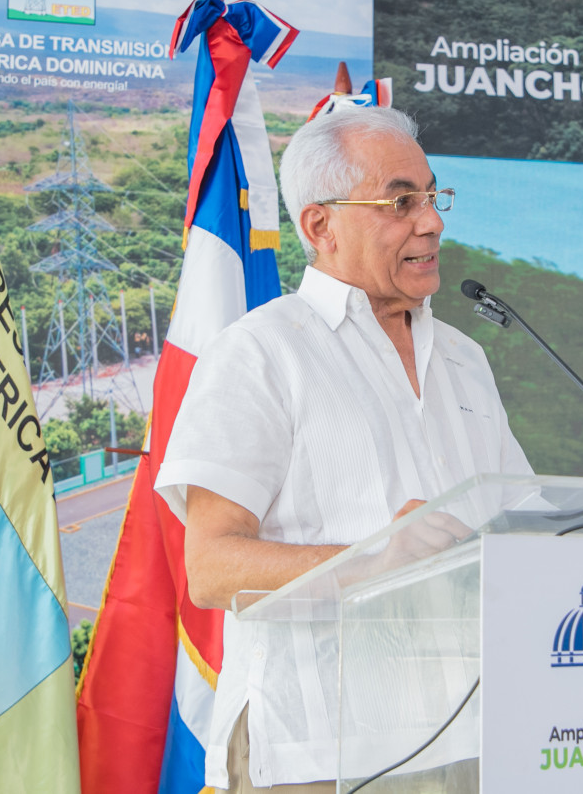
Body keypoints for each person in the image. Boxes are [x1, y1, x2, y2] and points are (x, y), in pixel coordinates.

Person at [154, 105, 531, 791]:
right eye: (400, 202)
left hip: (468, 738)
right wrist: (372, 560)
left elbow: (522, 520)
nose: (432, 222)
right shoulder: (261, 351)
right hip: (316, 750)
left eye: (433, 197)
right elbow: (209, 567)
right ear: (319, 226)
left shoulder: (465, 359)